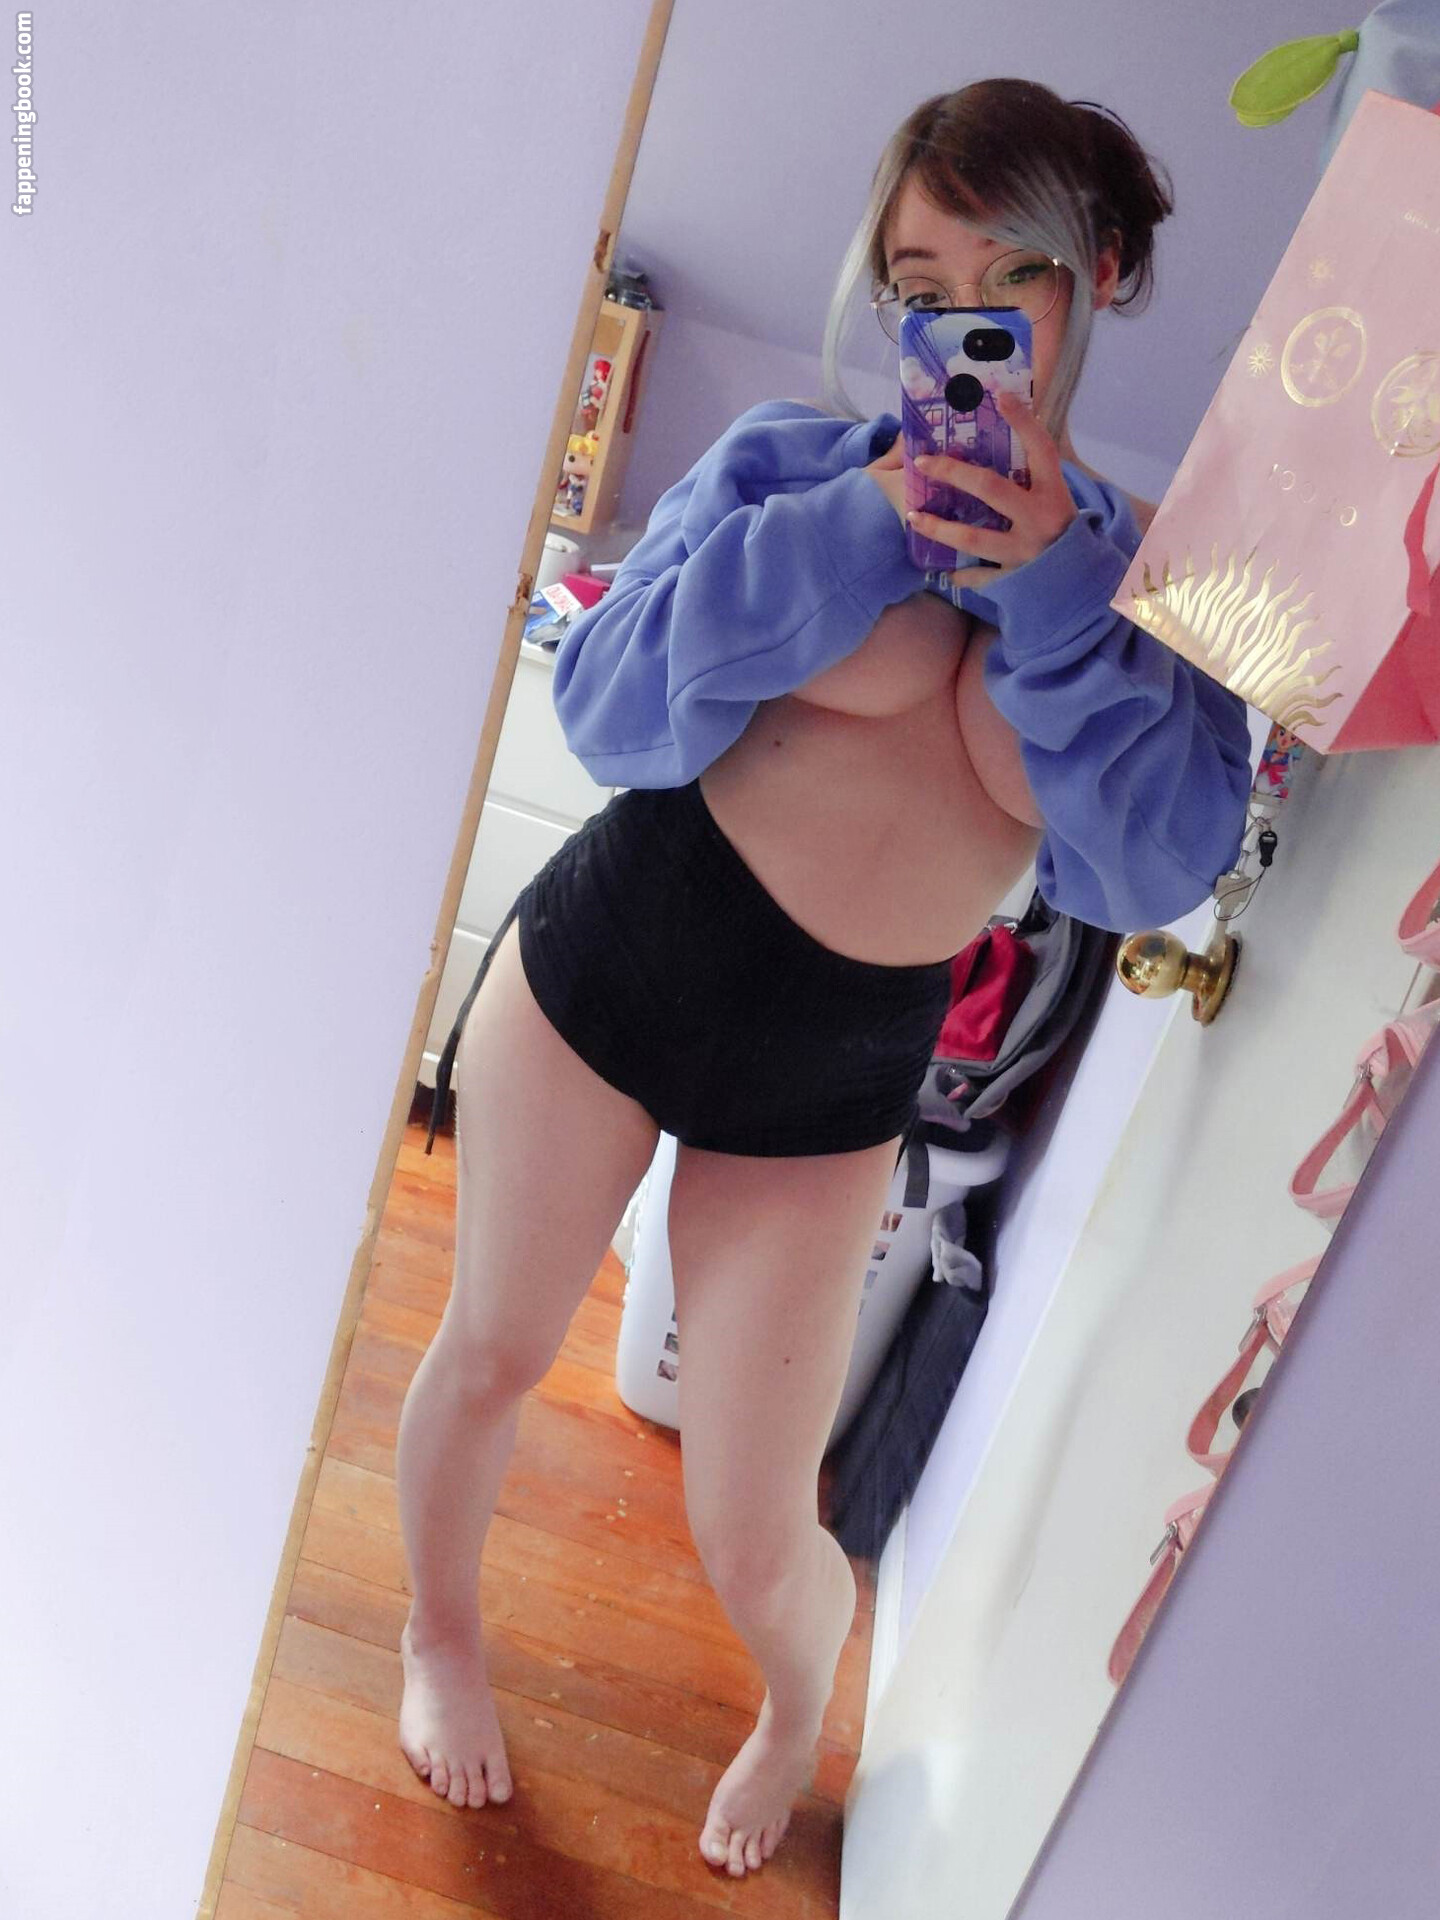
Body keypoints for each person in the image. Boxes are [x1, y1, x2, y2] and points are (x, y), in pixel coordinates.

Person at [396, 77, 1253, 1882]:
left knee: (750, 1515)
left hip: (832, 1082)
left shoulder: (1150, 595)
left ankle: (794, 1714)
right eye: (923, 284)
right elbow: (605, 710)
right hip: (614, 965)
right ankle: (440, 1636)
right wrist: (857, 526)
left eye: (1012, 276)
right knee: (490, 1353)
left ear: (1098, 275)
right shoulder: (790, 467)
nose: (967, 324)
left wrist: (1055, 591)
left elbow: (1148, 871)